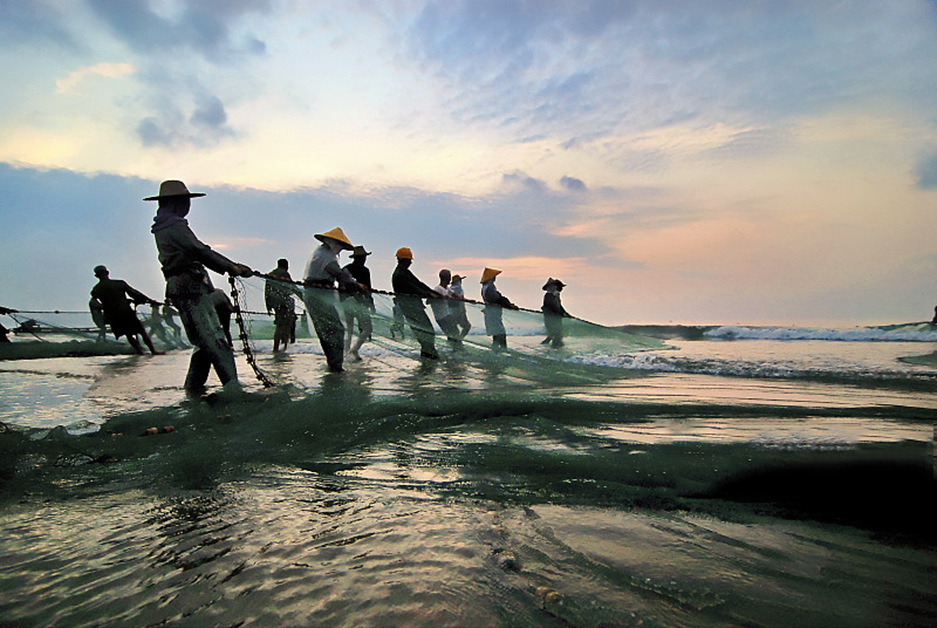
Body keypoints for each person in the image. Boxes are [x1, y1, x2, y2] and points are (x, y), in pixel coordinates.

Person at [147, 179, 254, 396]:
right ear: (177, 203)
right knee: (215, 340)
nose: (188, 205)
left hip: (183, 288)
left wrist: (230, 266)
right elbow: (199, 250)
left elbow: (197, 251)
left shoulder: (163, 225)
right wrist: (231, 267)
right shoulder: (174, 226)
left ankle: (193, 389)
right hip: (190, 288)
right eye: (186, 201)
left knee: (204, 342)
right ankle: (233, 390)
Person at [303, 227, 358, 372]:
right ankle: (335, 365)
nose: (340, 249)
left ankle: (333, 363)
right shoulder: (325, 256)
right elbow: (340, 275)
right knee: (335, 330)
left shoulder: (321, 252)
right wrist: (356, 285)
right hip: (318, 296)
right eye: (339, 245)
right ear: (333, 242)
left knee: (328, 331)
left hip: (317, 294)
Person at [90, 265, 164, 355]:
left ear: (96, 276)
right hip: (126, 313)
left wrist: (103, 308)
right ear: (107, 273)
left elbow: (93, 302)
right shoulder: (119, 284)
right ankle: (153, 351)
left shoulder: (97, 289)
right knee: (141, 332)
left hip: (114, 317)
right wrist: (150, 300)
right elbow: (135, 293)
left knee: (128, 335)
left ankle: (140, 352)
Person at [391, 247, 439, 359]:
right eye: (409, 260)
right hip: (410, 308)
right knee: (426, 331)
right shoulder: (399, 275)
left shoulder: (405, 272)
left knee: (426, 331)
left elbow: (419, 283)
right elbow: (413, 288)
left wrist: (433, 293)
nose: (410, 263)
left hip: (414, 307)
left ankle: (427, 355)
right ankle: (428, 355)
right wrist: (429, 294)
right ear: (403, 260)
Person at [342, 245, 375, 360]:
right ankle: (354, 350)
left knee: (349, 329)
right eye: (364, 257)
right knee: (367, 329)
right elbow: (368, 289)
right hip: (359, 302)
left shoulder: (345, 269)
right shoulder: (364, 270)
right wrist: (371, 305)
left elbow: (340, 286)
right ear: (361, 258)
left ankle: (346, 354)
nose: (365, 259)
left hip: (345, 302)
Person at [265, 258, 298, 353]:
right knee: (285, 326)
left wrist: (268, 306)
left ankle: (276, 347)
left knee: (279, 325)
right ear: (286, 266)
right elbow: (292, 287)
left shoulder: (270, 274)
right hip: (284, 304)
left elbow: (267, 291)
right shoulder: (285, 274)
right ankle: (283, 348)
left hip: (275, 304)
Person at [480, 267, 517, 349]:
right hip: (493, 313)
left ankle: (495, 351)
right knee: (501, 333)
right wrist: (509, 305)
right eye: (493, 276)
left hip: (491, 312)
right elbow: (497, 299)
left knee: (496, 334)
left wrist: (508, 304)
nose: (495, 278)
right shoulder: (489, 287)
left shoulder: (485, 287)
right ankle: (503, 350)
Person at [432, 269, 462, 347]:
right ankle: (456, 348)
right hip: (441, 317)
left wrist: (459, 297)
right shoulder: (437, 289)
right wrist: (441, 297)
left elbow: (453, 294)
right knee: (453, 333)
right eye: (449, 277)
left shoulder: (446, 288)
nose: (450, 279)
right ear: (446, 278)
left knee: (454, 333)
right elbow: (429, 301)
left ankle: (455, 348)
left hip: (447, 315)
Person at [541, 278, 571, 347]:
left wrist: (566, 313)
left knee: (553, 335)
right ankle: (554, 348)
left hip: (556, 319)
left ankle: (549, 347)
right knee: (555, 335)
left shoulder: (556, 296)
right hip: (551, 319)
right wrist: (561, 313)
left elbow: (559, 306)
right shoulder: (548, 296)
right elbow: (553, 307)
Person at [448, 274, 471, 338]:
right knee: (467, 326)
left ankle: (456, 340)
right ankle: (460, 339)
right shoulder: (458, 288)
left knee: (454, 328)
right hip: (459, 311)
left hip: (450, 311)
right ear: (458, 281)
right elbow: (460, 298)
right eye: (460, 280)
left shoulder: (450, 288)